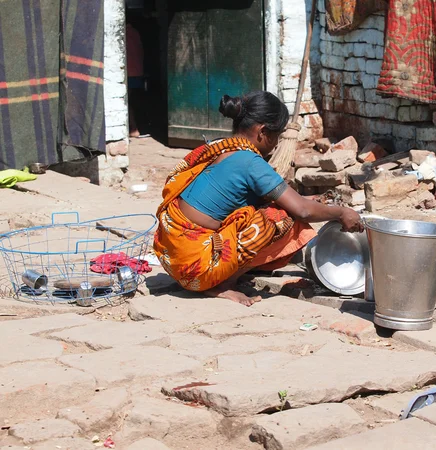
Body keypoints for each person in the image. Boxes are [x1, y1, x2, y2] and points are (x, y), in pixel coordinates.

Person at [153, 91, 363, 306]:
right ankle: (221, 285)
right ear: (263, 132)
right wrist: (341, 212)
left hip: (173, 257)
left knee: (269, 208)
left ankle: (219, 272)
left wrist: (314, 200)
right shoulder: (250, 162)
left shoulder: (221, 148)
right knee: (283, 219)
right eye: (277, 137)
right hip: (195, 268)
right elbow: (302, 210)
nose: (275, 145)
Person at [126, 19, 145, 138]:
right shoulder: (134, 32)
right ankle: (136, 127)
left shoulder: (124, 33)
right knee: (133, 100)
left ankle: (133, 128)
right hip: (137, 71)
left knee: (127, 101)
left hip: (128, 72)